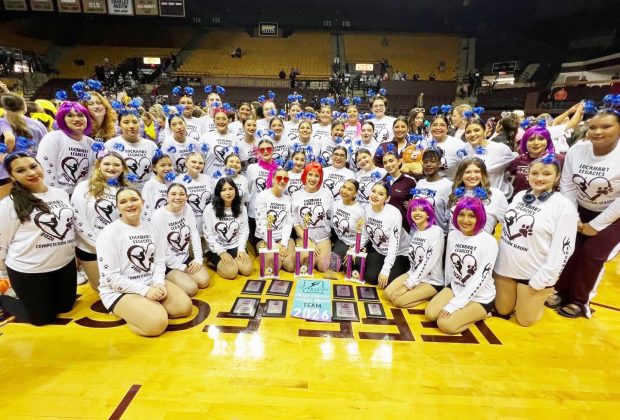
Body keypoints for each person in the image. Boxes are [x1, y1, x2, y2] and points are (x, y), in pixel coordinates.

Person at [546, 110, 620, 319]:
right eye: (593, 127)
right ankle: (562, 291)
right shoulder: (577, 150)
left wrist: (596, 225)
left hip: (614, 216)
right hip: (579, 209)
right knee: (569, 249)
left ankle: (580, 300)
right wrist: (574, 218)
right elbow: (568, 185)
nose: (598, 131)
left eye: (606, 126)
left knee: (592, 254)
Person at [96, 187, 192, 337]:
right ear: (117, 206)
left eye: (134, 199)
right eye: (123, 202)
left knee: (184, 308)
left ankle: (145, 309)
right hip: (119, 291)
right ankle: (127, 312)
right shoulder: (109, 233)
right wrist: (145, 291)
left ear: (142, 202)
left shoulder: (152, 227)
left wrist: (159, 282)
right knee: (157, 324)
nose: (130, 204)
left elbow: (159, 261)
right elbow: (110, 278)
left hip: (149, 282)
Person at [494, 156, 578, 326]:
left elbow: (564, 249)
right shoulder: (520, 196)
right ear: (528, 175)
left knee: (525, 320)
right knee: (503, 310)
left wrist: (544, 278)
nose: (539, 178)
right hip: (505, 268)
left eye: (547, 174)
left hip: (532, 273)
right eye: (535, 173)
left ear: (557, 177)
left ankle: (540, 297)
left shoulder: (564, 207)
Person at [0, 153, 77, 325]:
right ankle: (3, 299)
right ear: (12, 177)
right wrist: (3, 272)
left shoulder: (60, 194)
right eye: (21, 170)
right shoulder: (8, 205)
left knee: (66, 307)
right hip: (30, 271)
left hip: (65, 266)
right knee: (41, 319)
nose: (31, 173)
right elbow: (1, 242)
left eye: (33, 166)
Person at [425, 197, 497, 334]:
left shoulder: (488, 241)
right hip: (456, 287)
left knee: (445, 325)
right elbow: (450, 267)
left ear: (480, 217)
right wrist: (446, 291)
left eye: (471, 216)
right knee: (430, 314)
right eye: (461, 214)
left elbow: (480, 278)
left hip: (480, 295)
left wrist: (454, 305)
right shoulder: (453, 235)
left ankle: (482, 313)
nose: (465, 220)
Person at [71, 150, 129, 290]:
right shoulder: (84, 186)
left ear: (122, 168)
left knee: (122, 287)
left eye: (116, 164)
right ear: (98, 165)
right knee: (102, 288)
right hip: (90, 249)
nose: (111, 168)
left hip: (118, 248)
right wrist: (101, 246)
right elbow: (79, 220)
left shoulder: (124, 190)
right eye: (107, 164)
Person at [385, 198, 445, 308]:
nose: (417, 213)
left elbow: (428, 261)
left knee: (398, 301)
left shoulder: (436, 232)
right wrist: (411, 280)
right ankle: (417, 292)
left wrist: (408, 285)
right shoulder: (416, 232)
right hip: (413, 274)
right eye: (413, 210)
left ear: (428, 214)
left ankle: (430, 294)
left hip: (431, 281)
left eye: (422, 210)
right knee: (388, 294)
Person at [152, 183, 209, 296]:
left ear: (186, 197)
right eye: (173, 194)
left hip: (184, 258)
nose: (178, 197)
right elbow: (159, 250)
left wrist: (198, 259)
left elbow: (194, 233)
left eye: (182, 194)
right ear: (167, 197)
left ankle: (182, 277)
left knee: (204, 281)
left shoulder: (187, 208)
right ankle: (167, 278)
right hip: (167, 263)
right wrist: (181, 268)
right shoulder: (158, 216)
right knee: (191, 289)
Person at [36, 101, 96, 195]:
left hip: (79, 196)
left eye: (80, 115)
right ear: (62, 119)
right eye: (70, 115)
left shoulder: (91, 143)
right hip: (55, 195)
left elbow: (90, 175)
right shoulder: (53, 138)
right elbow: (46, 170)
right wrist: (57, 196)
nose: (76, 119)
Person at [203, 177, 253, 279]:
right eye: (224, 190)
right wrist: (221, 252)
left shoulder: (242, 208)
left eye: (231, 189)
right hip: (217, 248)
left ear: (235, 190)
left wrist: (241, 249)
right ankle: (212, 260)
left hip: (235, 245)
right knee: (231, 273)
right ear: (218, 193)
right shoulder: (209, 209)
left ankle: (232, 262)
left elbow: (244, 231)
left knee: (247, 270)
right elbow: (208, 234)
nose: (228, 193)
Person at [362, 182, 410, 287]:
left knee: (386, 282)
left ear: (387, 198)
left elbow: (394, 244)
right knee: (370, 277)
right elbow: (365, 233)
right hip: (379, 250)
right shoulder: (367, 208)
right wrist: (355, 249)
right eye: (373, 191)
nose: (375, 195)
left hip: (399, 252)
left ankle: (405, 268)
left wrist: (386, 270)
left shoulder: (394, 213)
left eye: (381, 194)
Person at [291, 163, 334, 272]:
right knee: (308, 262)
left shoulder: (326, 193)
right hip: (304, 238)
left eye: (317, 176)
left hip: (323, 238)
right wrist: (308, 242)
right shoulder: (296, 195)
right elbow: (295, 222)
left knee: (324, 266)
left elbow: (331, 216)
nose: (313, 179)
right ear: (305, 175)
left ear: (320, 178)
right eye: (310, 174)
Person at [448, 157, 508, 235]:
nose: (472, 176)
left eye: (477, 172)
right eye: (468, 172)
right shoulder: (455, 193)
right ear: (461, 175)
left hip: (482, 242)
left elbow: (508, 224)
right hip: (454, 241)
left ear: (483, 174)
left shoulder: (496, 195)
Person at [461, 118, 516, 199]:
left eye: (476, 130)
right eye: (468, 132)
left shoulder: (500, 149)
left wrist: (505, 175)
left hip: (496, 196)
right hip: (475, 197)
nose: (472, 134)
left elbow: (516, 162)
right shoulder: (465, 148)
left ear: (484, 131)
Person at [255, 167, 296, 272]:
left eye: (285, 179)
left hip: (282, 238)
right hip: (264, 239)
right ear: (273, 179)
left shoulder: (288, 199)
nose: (282, 181)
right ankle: (264, 256)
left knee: (291, 265)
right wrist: (274, 246)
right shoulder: (262, 196)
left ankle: (277, 256)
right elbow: (261, 225)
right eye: (279, 178)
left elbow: (288, 224)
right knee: (274, 266)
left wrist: (283, 244)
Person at [106, 110, 158, 190]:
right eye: (126, 122)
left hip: (146, 192)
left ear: (139, 123)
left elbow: (157, 171)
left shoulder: (151, 146)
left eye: (135, 122)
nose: (131, 126)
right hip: (120, 192)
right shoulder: (110, 145)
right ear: (119, 124)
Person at [509, 126, 563, 196]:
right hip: (520, 200)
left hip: (548, 200)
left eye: (541, 139)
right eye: (531, 139)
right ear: (525, 142)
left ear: (547, 141)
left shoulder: (559, 159)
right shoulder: (518, 160)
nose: (536, 143)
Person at [414, 148, 453, 233]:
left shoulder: (448, 185)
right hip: (418, 233)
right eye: (425, 162)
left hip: (439, 235)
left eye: (433, 161)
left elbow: (450, 215)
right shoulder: (420, 183)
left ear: (439, 163)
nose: (428, 164)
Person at [246, 138, 278, 243]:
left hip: (272, 212)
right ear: (258, 152)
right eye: (262, 149)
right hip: (254, 212)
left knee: (272, 245)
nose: (265, 151)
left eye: (268, 149)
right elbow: (249, 190)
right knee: (258, 245)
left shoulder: (279, 169)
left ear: (273, 150)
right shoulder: (251, 168)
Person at [330, 179, 366, 269]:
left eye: (350, 189)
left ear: (355, 193)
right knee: (334, 267)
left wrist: (355, 249)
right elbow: (332, 225)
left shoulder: (360, 211)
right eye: (344, 187)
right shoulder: (335, 204)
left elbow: (365, 235)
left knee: (349, 270)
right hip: (341, 242)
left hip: (355, 244)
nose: (344, 191)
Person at [379, 150, 416, 231]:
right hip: (384, 225)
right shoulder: (381, 182)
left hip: (402, 226)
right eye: (385, 163)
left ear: (399, 161)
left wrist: (412, 205)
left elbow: (414, 203)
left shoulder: (410, 181)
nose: (388, 165)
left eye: (391, 161)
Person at [199, 109, 238, 175]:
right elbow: (200, 159)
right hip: (209, 177)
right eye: (218, 119)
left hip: (228, 179)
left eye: (224, 119)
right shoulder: (205, 137)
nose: (221, 121)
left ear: (228, 121)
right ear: (214, 121)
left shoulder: (235, 139)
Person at [142, 151, 174, 222]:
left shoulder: (172, 183)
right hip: (156, 223)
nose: (167, 168)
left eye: (170, 165)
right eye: (162, 165)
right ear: (154, 167)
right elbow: (146, 209)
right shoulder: (150, 185)